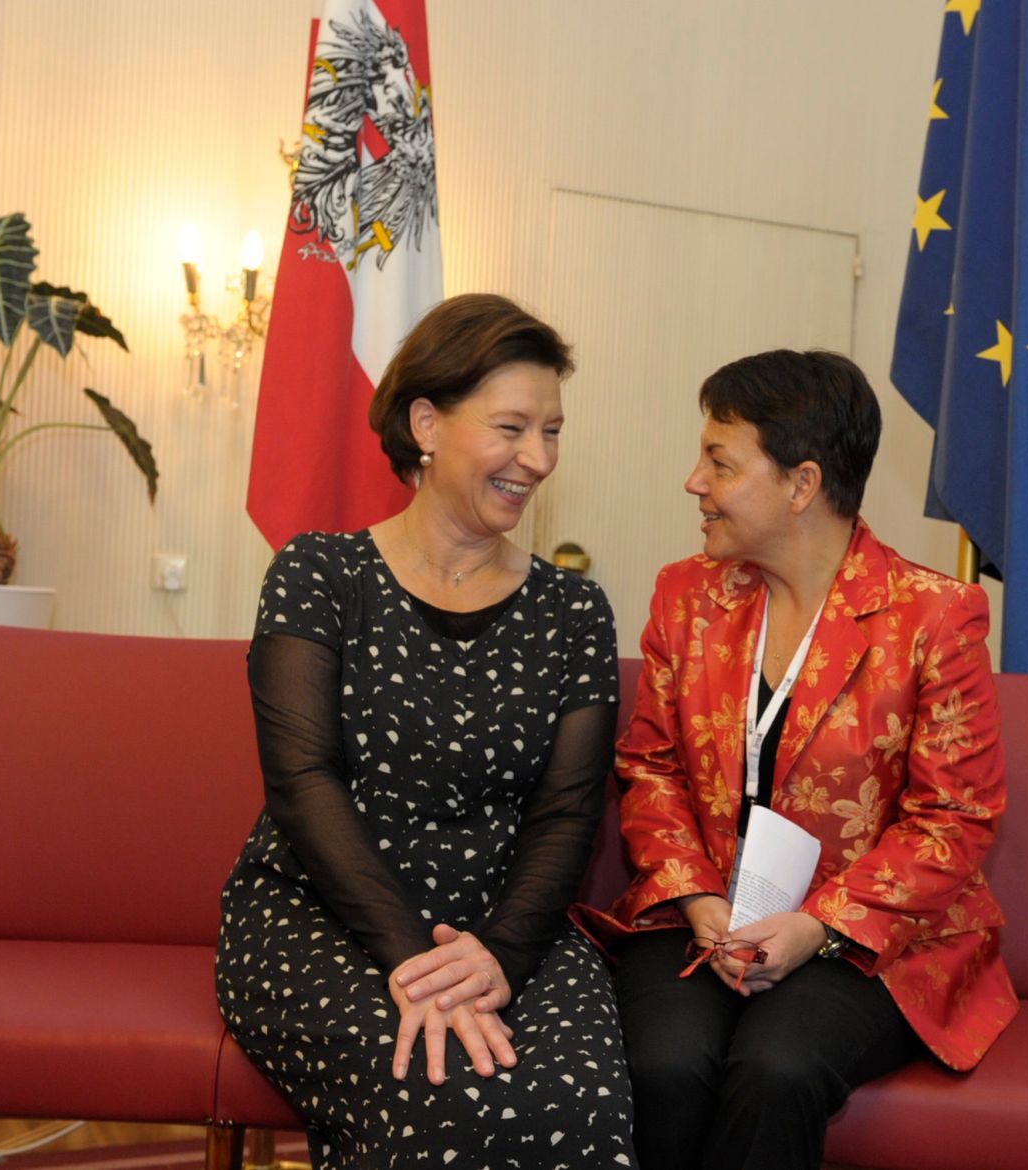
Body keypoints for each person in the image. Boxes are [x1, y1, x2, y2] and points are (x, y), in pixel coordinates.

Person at [216, 294, 637, 1170]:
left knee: (583, 1109)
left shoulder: (574, 612)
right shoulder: (319, 574)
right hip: (323, 918)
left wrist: (499, 960)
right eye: (513, 427)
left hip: (511, 930)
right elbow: (303, 785)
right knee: (439, 1101)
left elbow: (568, 815)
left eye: (551, 431)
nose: (538, 458)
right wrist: (416, 963)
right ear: (427, 424)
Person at [578, 349, 1015, 1170]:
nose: (693, 482)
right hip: (701, 913)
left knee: (777, 1069)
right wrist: (699, 896)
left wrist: (815, 926)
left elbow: (955, 819)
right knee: (662, 1066)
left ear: (801, 484)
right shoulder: (687, 595)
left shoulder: (934, 615)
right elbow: (650, 769)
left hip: (869, 934)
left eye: (719, 461)